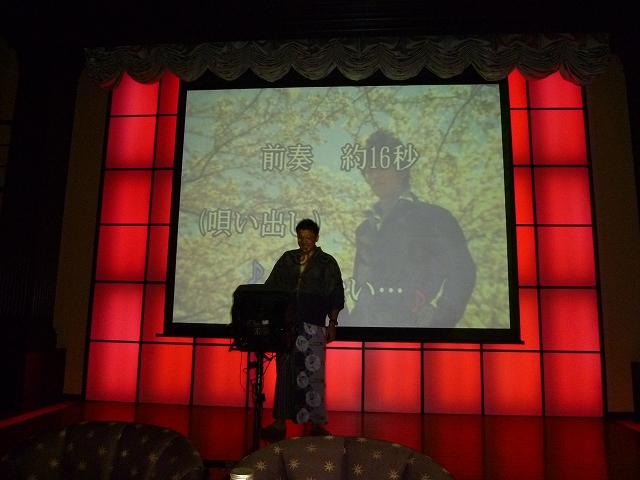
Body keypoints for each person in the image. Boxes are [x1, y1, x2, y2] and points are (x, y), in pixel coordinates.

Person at [349, 130, 476, 328]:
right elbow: (363, 288)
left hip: (412, 332)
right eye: (368, 169)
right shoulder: (364, 229)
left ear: (401, 169)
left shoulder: (434, 218)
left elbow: (462, 272)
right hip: (364, 333)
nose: (374, 175)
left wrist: (438, 323)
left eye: (381, 166)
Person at [260, 218, 344, 439]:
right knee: (284, 374)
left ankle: (315, 425)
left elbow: (336, 293)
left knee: (313, 373)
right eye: (301, 237)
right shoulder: (288, 259)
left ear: (316, 238)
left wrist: (332, 323)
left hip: (313, 324)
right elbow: (271, 288)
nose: (304, 241)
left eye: (308, 237)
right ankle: (279, 424)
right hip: (287, 326)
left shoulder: (326, 262)